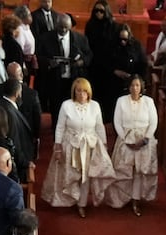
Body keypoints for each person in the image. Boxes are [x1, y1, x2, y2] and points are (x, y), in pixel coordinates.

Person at [42, 77, 114, 217]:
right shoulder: (66, 105)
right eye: (78, 91)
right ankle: (71, 198)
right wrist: (57, 147)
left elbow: (99, 127)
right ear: (74, 92)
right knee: (72, 174)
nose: (81, 94)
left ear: (89, 93)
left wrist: (104, 145)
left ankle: (82, 203)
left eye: (84, 91)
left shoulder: (95, 106)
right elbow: (60, 127)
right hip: (71, 145)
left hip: (90, 145)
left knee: (85, 175)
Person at [104, 74, 156, 215]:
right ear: (129, 87)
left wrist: (145, 139)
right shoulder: (121, 101)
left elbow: (153, 122)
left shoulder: (149, 102)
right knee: (123, 171)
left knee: (139, 172)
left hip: (144, 141)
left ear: (142, 87)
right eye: (132, 85)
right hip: (126, 140)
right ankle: (121, 197)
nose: (135, 88)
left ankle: (136, 200)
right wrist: (126, 140)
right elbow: (117, 122)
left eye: (137, 85)